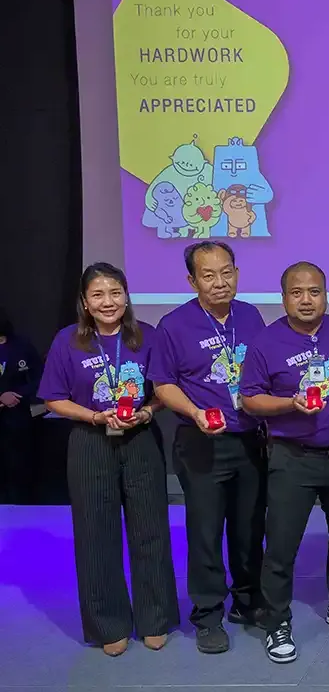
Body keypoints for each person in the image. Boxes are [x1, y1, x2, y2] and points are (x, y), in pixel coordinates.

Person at [38, 263, 179, 656]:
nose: (108, 302)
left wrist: (147, 411)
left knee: (150, 528)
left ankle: (155, 618)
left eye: (115, 292)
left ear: (126, 296)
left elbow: (163, 389)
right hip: (90, 440)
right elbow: (54, 398)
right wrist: (95, 416)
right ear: (85, 302)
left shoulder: (147, 336)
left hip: (139, 438)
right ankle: (109, 623)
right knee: (95, 533)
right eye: (98, 295)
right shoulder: (68, 340)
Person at [239, 262, 329, 663]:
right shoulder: (265, 341)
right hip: (291, 456)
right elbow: (250, 399)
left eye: (314, 292)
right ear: (283, 298)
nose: (306, 300)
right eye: (297, 293)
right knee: (282, 545)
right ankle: (277, 621)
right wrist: (289, 404)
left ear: (326, 295)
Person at [148, 241, 268, 654]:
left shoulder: (250, 316)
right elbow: (163, 384)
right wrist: (195, 412)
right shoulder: (174, 324)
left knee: (249, 526)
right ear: (192, 280)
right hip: (201, 441)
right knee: (205, 531)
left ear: (237, 273)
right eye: (209, 275)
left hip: (249, 438)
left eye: (226, 272)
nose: (220, 282)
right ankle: (208, 614)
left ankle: (248, 602)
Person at [0, 307, 41, 504]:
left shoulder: (22, 345)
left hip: (18, 420)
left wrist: (18, 395)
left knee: (20, 472)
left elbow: (40, 377)